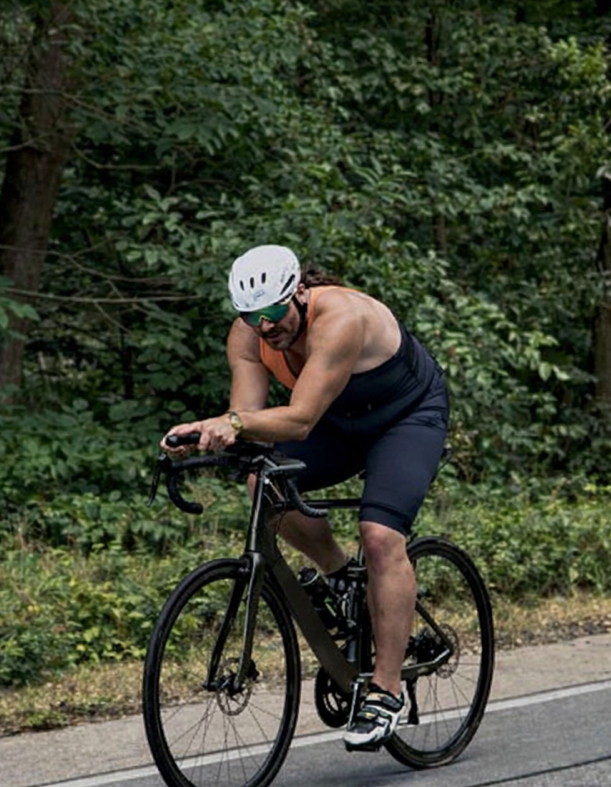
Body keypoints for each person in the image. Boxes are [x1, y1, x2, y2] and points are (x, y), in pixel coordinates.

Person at [162, 244, 449, 751]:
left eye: (273, 313)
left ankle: (385, 692)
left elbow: (297, 419)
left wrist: (228, 424)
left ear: (298, 292)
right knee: (263, 483)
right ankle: (340, 576)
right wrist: (202, 438)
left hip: (406, 417)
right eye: (251, 317)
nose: (265, 327)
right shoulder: (249, 337)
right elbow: (247, 420)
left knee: (381, 536)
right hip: (341, 421)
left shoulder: (340, 318)